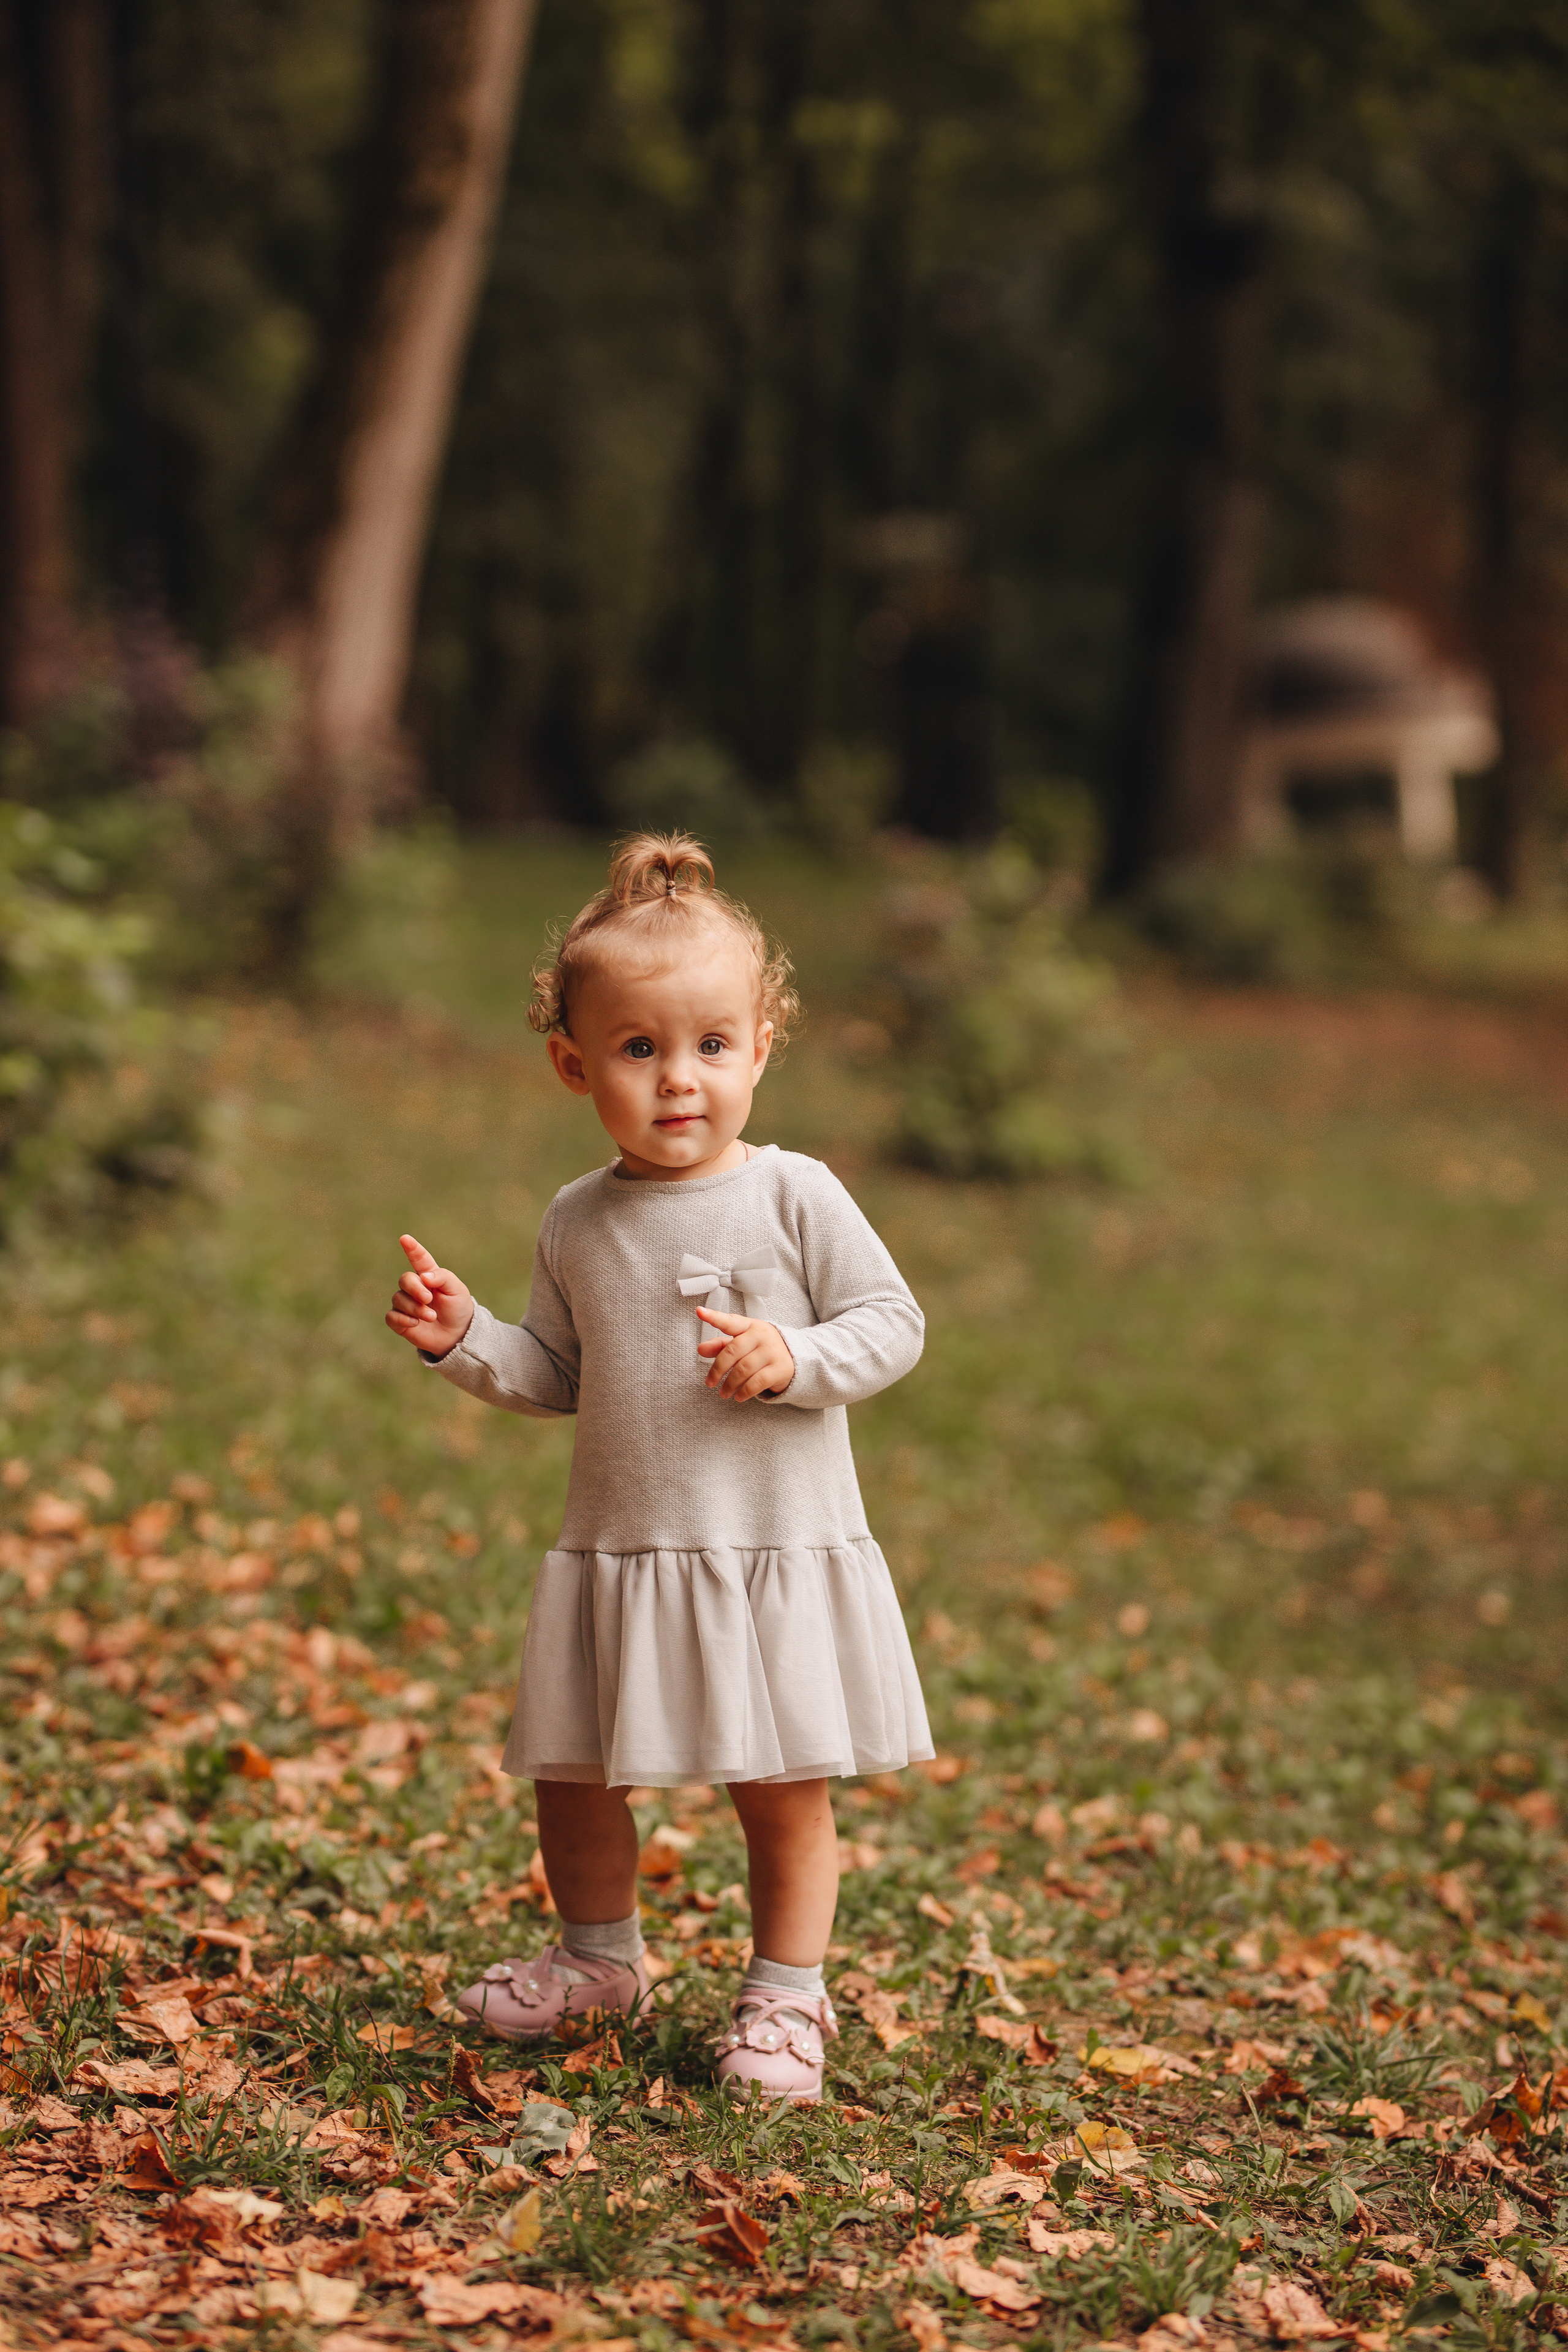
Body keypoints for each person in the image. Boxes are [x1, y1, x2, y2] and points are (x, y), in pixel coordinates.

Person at [385, 832, 932, 2101]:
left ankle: (786, 1999)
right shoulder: (577, 1218)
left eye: (709, 1046)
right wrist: (465, 1337)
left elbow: (889, 1324)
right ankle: (597, 1962)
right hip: (622, 1551)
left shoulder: (796, 1196)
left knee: (778, 1790)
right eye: (637, 1050)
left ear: (759, 1046)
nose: (676, 1079)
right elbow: (559, 1376)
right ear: (574, 1065)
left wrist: (792, 1356)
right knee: (574, 1776)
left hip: (764, 1551)